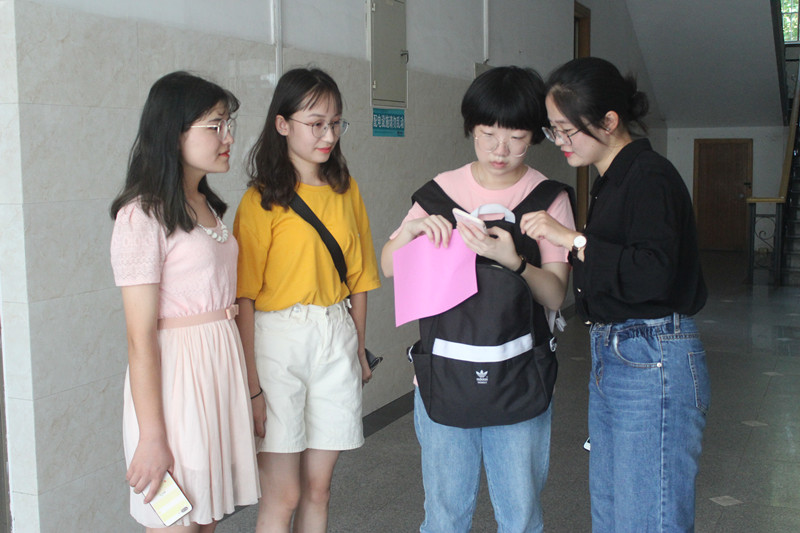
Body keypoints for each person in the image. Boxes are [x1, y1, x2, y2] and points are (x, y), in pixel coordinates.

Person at [381, 66, 575, 533]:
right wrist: (408, 233)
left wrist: (513, 262)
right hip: (445, 373)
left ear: (536, 135)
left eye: (517, 137)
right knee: (444, 515)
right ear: (472, 128)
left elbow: (555, 293)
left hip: (520, 374)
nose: (500, 150)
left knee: (520, 515)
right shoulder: (439, 192)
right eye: (488, 134)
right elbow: (388, 267)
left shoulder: (548, 198)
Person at [523, 56, 710, 532]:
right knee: (613, 511)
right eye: (553, 130)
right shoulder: (613, 180)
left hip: (652, 353)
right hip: (618, 351)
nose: (559, 141)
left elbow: (653, 274)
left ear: (609, 121)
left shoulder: (649, 176)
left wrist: (573, 240)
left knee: (648, 515)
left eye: (567, 130)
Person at [110, 71, 260, 531]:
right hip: (176, 382)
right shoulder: (142, 215)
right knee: (177, 521)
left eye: (228, 124)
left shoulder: (206, 205)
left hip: (216, 369)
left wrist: (249, 389)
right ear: (173, 131)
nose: (228, 137)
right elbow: (140, 338)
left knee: (206, 518)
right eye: (215, 126)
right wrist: (152, 435)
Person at [234, 67, 381, 533]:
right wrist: (252, 387)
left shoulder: (346, 190)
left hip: (335, 333)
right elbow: (244, 298)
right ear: (282, 124)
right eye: (316, 123)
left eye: (335, 123)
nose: (328, 135)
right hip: (277, 340)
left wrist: (358, 349)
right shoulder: (259, 200)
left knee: (319, 490)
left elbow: (359, 279)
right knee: (285, 495)